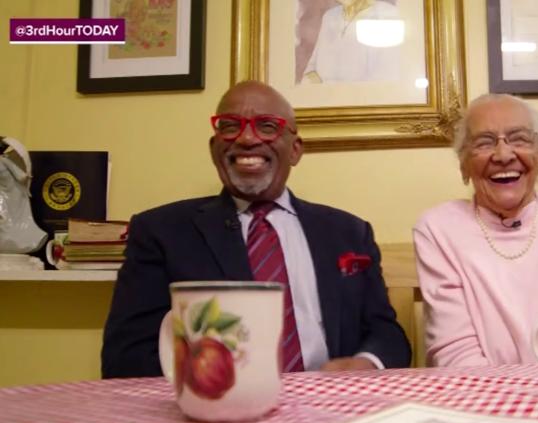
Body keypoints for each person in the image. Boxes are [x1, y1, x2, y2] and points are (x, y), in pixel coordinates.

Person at [102, 80, 411, 378]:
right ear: (214, 149)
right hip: (214, 409)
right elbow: (126, 357)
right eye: (230, 125)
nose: (247, 139)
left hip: (330, 404)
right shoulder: (160, 232)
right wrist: (212, 380)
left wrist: (367, 363)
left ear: (295, 150)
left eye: (267, 126)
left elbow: (386, 334)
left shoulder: (349, 232)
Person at [413, 94, 538, 367]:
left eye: (519, 139)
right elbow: (457, 355)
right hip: (480, 398)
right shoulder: (438, 229)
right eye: (484, 142)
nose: (503, 155)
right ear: (464, 167)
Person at [301, 0, 401, 84]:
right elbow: (311, 70)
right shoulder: (329, 17)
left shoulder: (387, 15)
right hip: (325, 103)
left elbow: (383, 84)